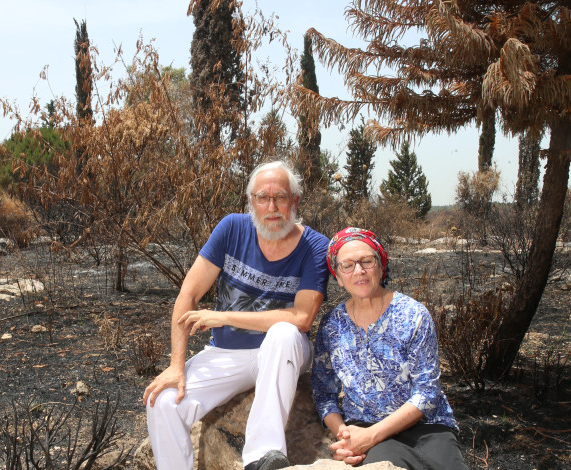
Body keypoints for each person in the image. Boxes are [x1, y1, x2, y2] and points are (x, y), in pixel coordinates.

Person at [143, 160, 329, 470]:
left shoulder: (314, 246)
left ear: (294, 201)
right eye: (262, 197)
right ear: (251, 202)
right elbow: (188, 295)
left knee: (283, 334)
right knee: (162, 402)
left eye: (280, 197)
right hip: (228, 353)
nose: (272, 206)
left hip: (283, 353)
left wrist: (226, 317)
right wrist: (176, 366)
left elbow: (301, 319)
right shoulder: (232, 229)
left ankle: (263, 457)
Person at [311, 227, 467, 469]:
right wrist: (346, 437)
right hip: (364, 426)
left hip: (427, 427)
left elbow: (427, 393)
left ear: (381, 266)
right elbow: (324, 394)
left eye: (366, 261)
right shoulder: (332, 325)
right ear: (338, 277)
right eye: (348, 265)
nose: (359, 271)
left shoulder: (413, 315)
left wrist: (369, 437)